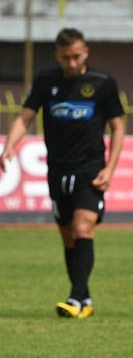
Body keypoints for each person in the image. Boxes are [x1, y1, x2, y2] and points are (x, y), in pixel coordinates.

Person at [1, 28, 125, 318]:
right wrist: (9, 147)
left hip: (90, 170)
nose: (72, 62)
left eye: (77, 56)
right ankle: (84, 299)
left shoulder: (103, 83)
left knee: (83, 228)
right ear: (57, 55)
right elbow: (25, 117)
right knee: (68, 236)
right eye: (66, 57)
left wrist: (110, 168)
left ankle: (75, 297)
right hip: (57, 170)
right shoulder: (47, 81)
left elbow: (118, 127)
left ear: (86, 52)